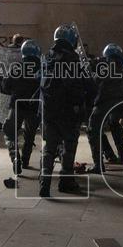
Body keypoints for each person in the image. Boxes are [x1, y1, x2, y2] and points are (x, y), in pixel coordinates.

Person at [39, 24, 92, 198]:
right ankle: (66, 181)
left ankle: (44, 181)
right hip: (67, 111)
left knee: (50, 147)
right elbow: (76, 86)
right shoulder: (72, 58)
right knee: (69, 148)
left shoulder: (48, 56)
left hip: (49, 110)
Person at [1, 39, 42, 176]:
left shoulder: (16, 67)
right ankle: (25, 160)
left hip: (17, 105)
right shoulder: (42, 67)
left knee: (10, 133)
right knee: (30, 135)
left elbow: (5, 87)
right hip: (34, 107)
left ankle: (15, 158)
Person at [87, 43, 123, 173]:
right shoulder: (120, 67)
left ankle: (98, 165)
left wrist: (89, 71)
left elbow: (95, 81)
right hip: (121, 103)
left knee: (93, 129)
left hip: (106, 102)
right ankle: (120, 155)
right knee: (114, 124)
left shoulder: (105, 66)